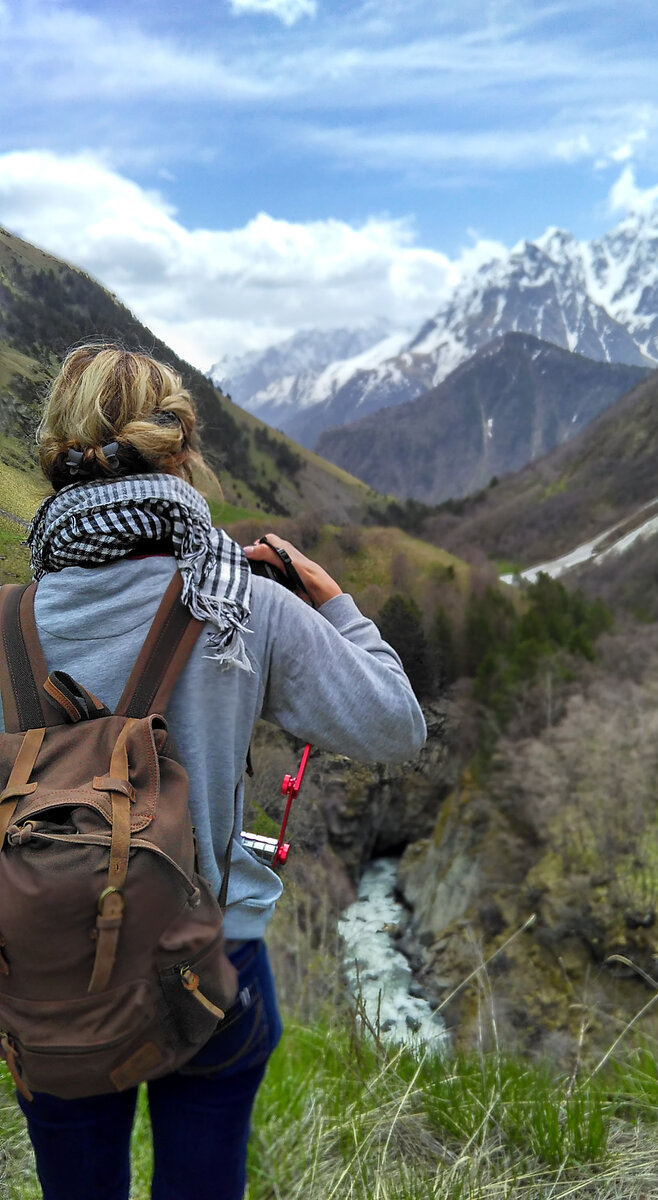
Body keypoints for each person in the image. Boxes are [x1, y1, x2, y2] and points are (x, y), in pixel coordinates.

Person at [2, 343, 427, 1200]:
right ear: (180, 451)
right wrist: (332, 604)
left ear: (54, 454)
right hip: (211, 957)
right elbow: (395, 725)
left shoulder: (9, 622)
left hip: (49, 968)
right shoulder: (243, 603)